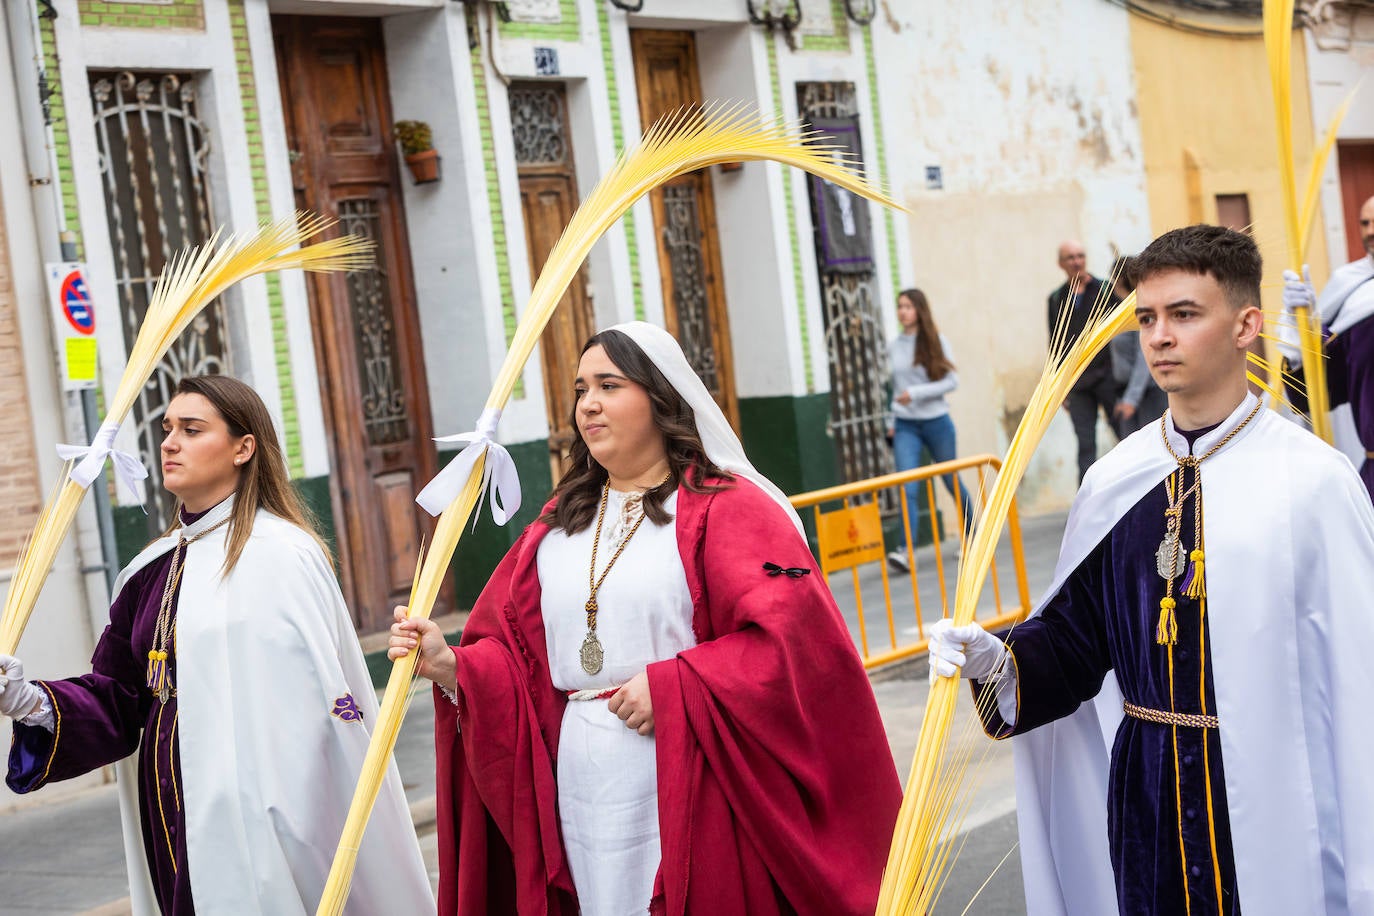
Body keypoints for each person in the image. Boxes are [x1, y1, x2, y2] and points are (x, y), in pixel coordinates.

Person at [930, 226, 1374, 914]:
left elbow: (1358, 674)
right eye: (1147, 318)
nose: (1159, 336)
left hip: (1274, 794)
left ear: (1245, 325)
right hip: (1151, 804)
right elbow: (1078, 642)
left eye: (1185, 315)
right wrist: (998, 660)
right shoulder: (1118, 480)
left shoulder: (1312, 481)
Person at [390, 321, 902, 916]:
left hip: (689, 778)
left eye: (609, 385)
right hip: (579, 789)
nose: (589, 405)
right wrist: (453, 664)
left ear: (660, 399)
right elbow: (514, 656)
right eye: (580, 389)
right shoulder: (557, 525)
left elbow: (791, 647)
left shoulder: (727, 508)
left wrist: (677, 685)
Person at [0, 376, 432, 916]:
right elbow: (119, 698)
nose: (169, 443)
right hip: (172, 818)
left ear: (243, 448)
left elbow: (327, 707)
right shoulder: (147, 572)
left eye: (191, 429)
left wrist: (288, 814)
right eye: (167, 428)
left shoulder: (284, 555)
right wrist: (29, 700)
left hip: (265, 816)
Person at [1280, 192, 1374, 501]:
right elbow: (1316, 391)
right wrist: (1301, 332)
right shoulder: (1356, 299)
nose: (1370, 231)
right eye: (1364, 223)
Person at [885, 288, 976, 572]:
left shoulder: (937, 341)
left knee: (950, 480)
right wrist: (891, 421)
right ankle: (905, 551)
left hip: (937, 421)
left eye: (908, 307)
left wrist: (917, 393)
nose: (903, 312)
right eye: (900, 307)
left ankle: (974, 538)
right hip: (905, 425)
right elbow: (893, 389)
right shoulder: (894, 346)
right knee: (907, 485)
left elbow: (952, 382)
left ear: (919, 310)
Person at [1049, 240, 1118, 482]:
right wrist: (1060, 390)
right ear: (1061, 263)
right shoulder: (1056, 299)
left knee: (1125, 435)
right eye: (1070, 257)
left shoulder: (1105, 289)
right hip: (1078, 382)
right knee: (1085, 445)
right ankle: (1087, 505)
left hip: (1109, 377)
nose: (1076, 261)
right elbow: (1056, 346)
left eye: (1080, 255)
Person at [1107, 256, 1168, 437]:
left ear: (1119, 281)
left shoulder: (1140, 312)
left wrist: (1131, 400)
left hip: (1147, 393)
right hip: (1128, 391)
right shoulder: (1123, 312)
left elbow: (1144, 358)